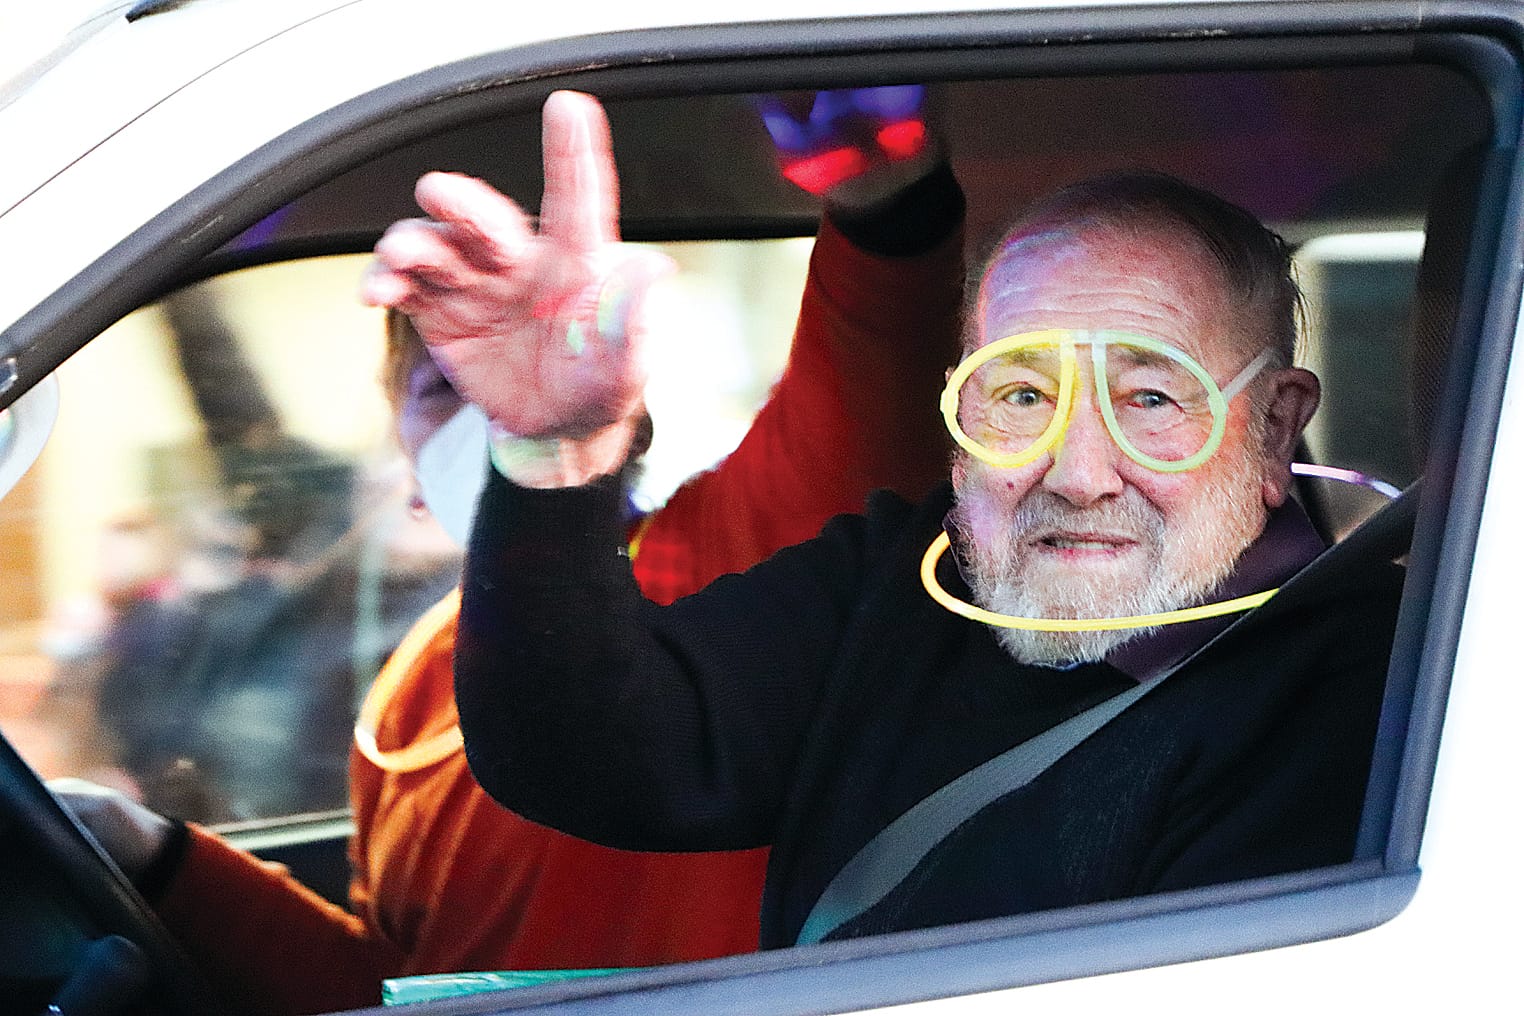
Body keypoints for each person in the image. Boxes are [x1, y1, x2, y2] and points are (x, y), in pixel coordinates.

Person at [58, 87, 965, 1013]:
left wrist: (884, 196)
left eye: (536, 364)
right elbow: (409, 983)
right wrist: (155, 855)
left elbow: (872, 360)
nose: (497, 412)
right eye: (440, 391)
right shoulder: (411, 693)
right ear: (399, 446)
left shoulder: (741, 549)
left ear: (628, 407)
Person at [432, 107, 1405, 947]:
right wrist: (554, 460)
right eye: (1022, 393)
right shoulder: (906, 572)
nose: (1076, 470)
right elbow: (594, 751)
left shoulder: (1368, 701)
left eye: (1151, 398)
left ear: (1274, 426)